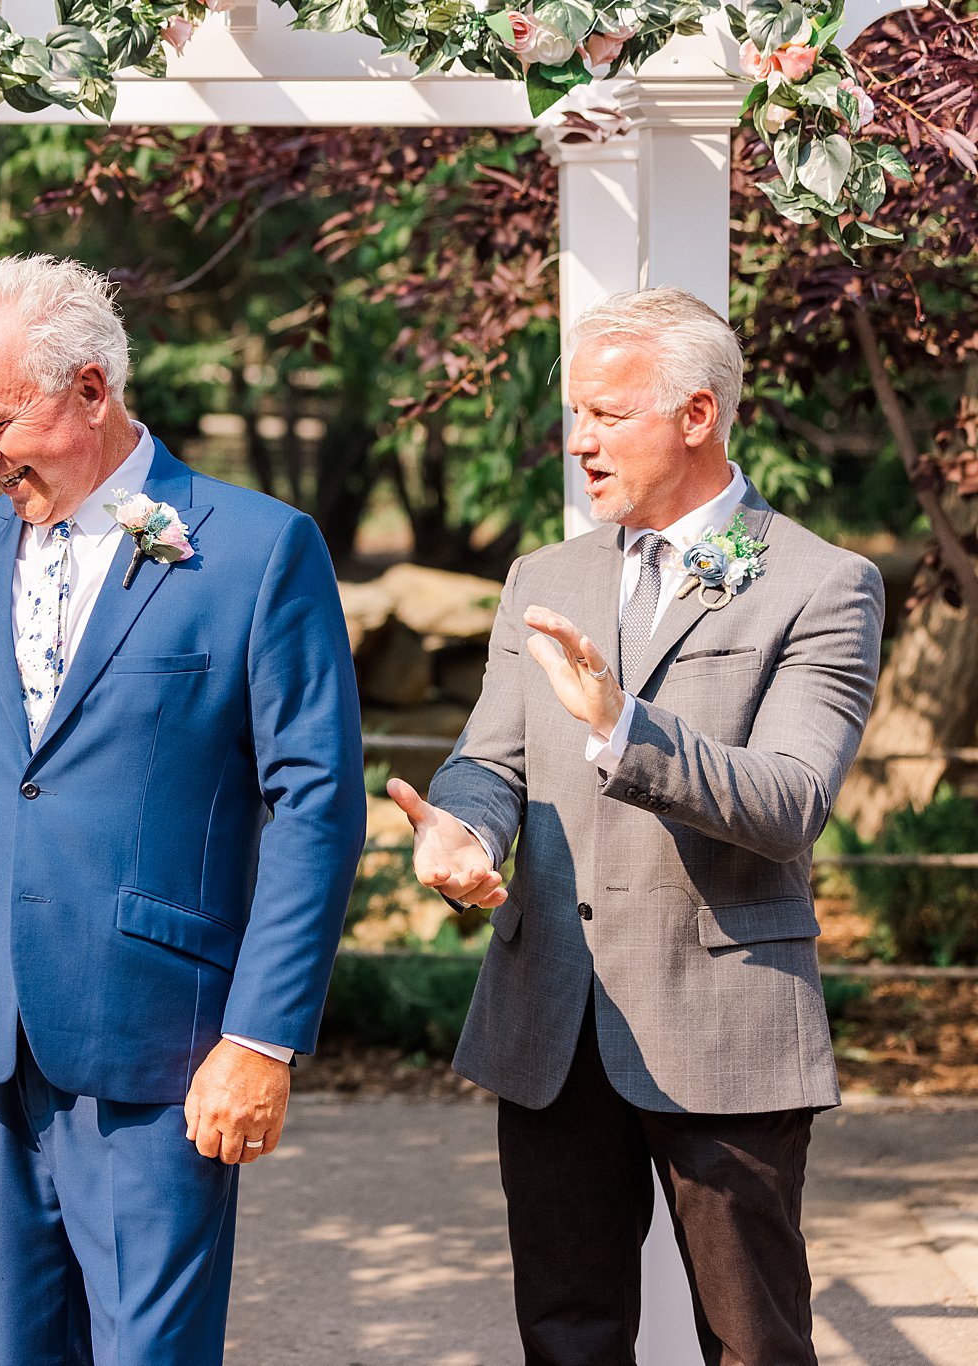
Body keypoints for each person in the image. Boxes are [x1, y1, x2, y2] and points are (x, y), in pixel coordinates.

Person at [0, 254, 367, 1364]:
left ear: (88, 389)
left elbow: (315, 804)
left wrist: (259, 1038)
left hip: (160, 1049)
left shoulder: (258, 550)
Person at [388, 288, 883, 1365]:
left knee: (750, 1341)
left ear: (695, 415)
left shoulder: (820, 584)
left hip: (726, 1025)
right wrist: (462, 834)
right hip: (550, 1018)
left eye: (604, 414)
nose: (576, 442)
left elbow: (790, 798)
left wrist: (621, 726)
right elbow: (489, 757)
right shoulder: (542, 576)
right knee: (563, 1337)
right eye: (575, 415)